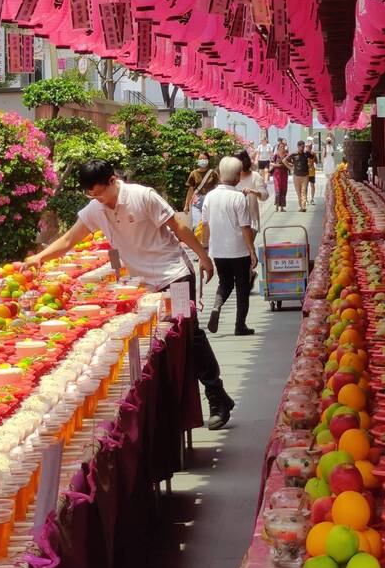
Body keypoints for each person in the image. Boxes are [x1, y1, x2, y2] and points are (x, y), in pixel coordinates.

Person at [25, 160, 235, 429]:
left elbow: (178, 227)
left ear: (113, 181)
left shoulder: (142, 196)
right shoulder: (95, 209)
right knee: (158, 345)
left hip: (175, 274)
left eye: (100, 192)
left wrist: (204, 257)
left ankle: (215, 394)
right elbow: (69, 240)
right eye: (91, 195)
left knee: (190, 334)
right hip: (144, 285)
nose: (97, 199)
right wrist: (40, 257)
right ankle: (172, 407)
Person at [203, 157, 258, 337]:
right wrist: (252, 251)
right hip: (238, 250)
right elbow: (245, 227)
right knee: (243, 287)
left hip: (218, 250)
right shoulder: (238, 197)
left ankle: (216, 306)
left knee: (225, 282)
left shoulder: (209, 197)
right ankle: (240, 326)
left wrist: (205, 251)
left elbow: (205, 226)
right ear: (236, 177)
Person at [184, 153, 218, 232]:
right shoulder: (193, 173)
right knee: (197, 225)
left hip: (210, 201)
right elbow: (190, 190)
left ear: (208, 160)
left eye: (204, 159)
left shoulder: (213, 173)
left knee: (210, 224)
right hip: (197, 202)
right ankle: (199, 243)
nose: (202, 161)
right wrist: (186, 205)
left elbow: (217, 188)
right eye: (200, 159)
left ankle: (207, 243)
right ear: (197, 160)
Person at [236, 149, 267, 231]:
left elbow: (264, 196)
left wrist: (253, 191)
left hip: (251, 221)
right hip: (234, 222)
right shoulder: (232, 177)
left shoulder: (255, 176)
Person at [289, 140, 311, 212]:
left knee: (304, 191)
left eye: (304, 146)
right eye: (302, 147)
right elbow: (284, 160)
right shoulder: (294, 154)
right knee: (298, 193)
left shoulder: (306, 154)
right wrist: (290, 167)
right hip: (296, 176)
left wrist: (311, 164)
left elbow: (314, 157)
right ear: (298, 146)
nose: (303, 148)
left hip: (305, 176)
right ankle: (301, 206)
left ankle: (304, 206)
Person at [305, 140, 318, 204]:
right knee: (306, 186)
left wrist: (314, 158)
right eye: (307, 146)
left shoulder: (313, 153)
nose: (309, 147)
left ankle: (312, 199)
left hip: (312, 171)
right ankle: (306, 199)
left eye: (310, 146)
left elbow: (317, 161)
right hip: (306, 172)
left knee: (312, 185)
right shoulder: (304, 154)